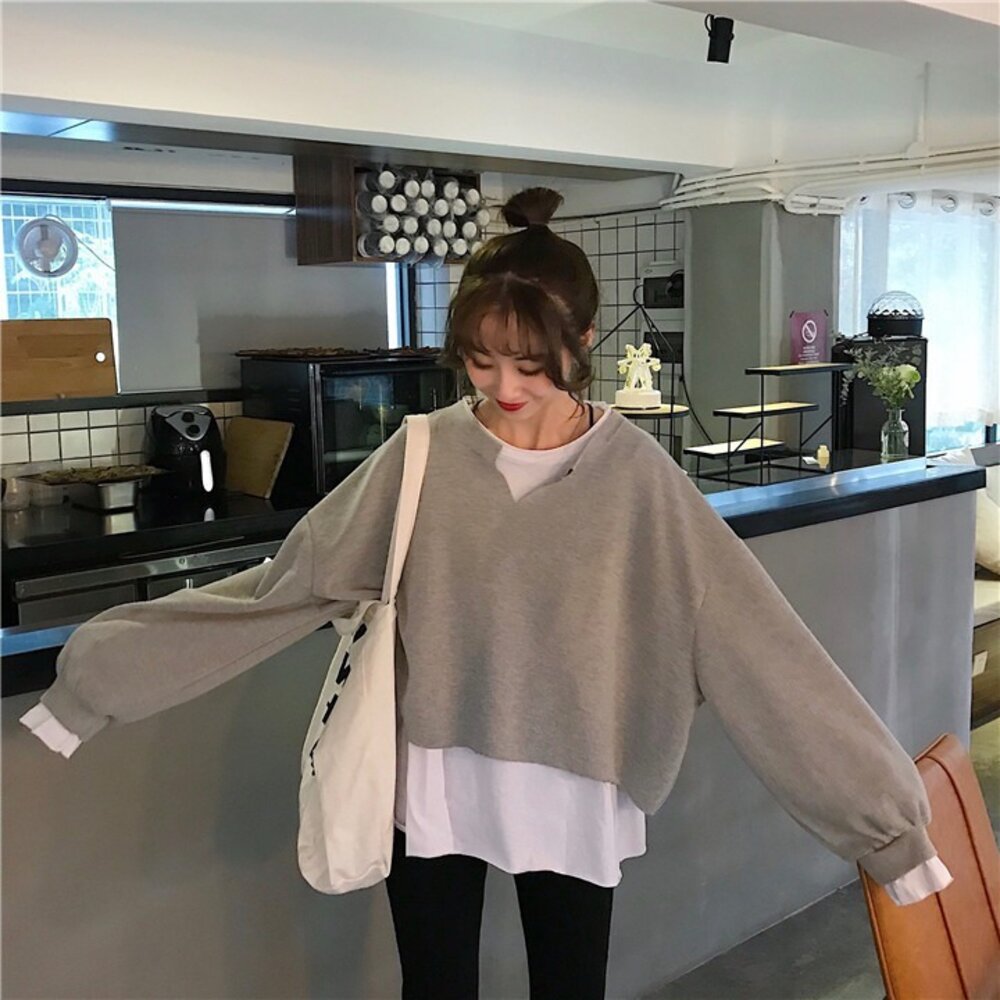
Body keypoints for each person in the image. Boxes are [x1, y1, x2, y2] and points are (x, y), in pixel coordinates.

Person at [21, 187, 953, 1000]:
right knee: (435, 989)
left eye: (530, 364)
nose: (503, 387)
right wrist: (99, 679)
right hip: (431, 776)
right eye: (479, 360)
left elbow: (761, 650)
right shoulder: (421, 456)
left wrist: (885, 826)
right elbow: (285, 587)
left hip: (577, 781)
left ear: (581, 343)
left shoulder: (637, 478)